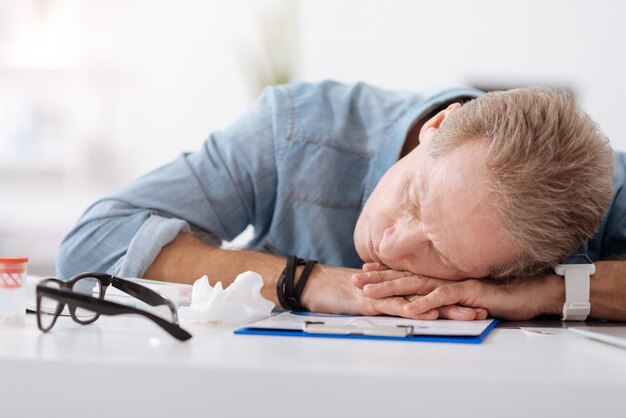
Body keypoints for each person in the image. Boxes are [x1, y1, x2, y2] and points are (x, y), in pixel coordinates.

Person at [57, 81, 626, 321]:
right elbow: (91, 244)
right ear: (437, 127)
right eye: (414, 199)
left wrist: (546, 292)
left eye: (445, 256)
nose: (392, 242)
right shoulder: (296, 129)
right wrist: (308, 281)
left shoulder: (591, 195)